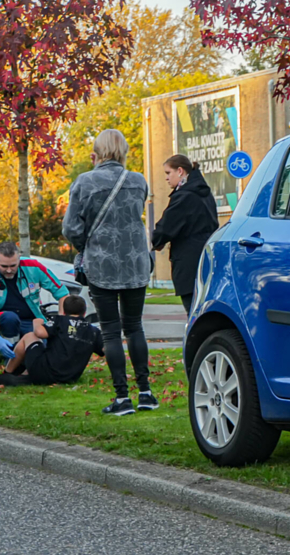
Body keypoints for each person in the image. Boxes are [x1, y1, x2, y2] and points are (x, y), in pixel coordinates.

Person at [63, 129, 157, 416]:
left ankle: (121, 398)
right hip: (135, 263)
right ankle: (146, 393)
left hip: (102, 265)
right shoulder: (138, 181)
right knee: (135, 327)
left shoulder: (85, 182)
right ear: (123, 150)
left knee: (111, 332)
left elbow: (71, 228)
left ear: (98, 150)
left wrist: (86, 246)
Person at [152, 155, 219, 315]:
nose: (167, 178)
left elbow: (166, 227)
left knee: (194, 314)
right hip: (207, 257)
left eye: (168, 173)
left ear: (180, 171)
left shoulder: (184, 196)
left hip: (187, 263)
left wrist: (157, 241)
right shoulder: (205, 194)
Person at [0, 241, 69, 360]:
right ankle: (10, 359)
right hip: (1, 319)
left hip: (30, 320)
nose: (9, 270)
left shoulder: (33, 267)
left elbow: (63, 294)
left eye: (13, 266)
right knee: (10, 318)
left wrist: (61, 320)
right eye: (4, 266)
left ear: (19, 258)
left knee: (42, 350)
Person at [0, 295, 104, 388]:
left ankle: (8, 372)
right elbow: (106, 350)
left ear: (64, 311)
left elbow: (40, 333)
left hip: (45, 372)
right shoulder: (94, 331)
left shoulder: (59, 320)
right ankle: (21, 375)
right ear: (84, 312)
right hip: (70, 377)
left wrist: (37, 322)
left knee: (29, 336)